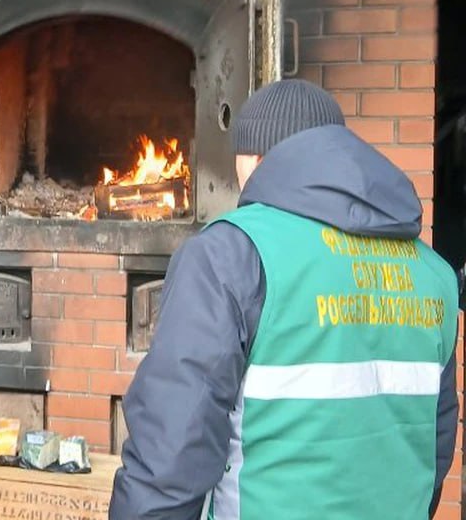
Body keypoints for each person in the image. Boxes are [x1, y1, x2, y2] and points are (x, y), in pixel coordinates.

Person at [110, 79, 459, 520]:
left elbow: (171, 454)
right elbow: (433, 447)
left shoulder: (229, 255)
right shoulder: (435, 275)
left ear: (254, 160)